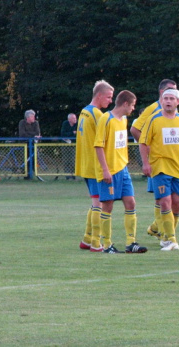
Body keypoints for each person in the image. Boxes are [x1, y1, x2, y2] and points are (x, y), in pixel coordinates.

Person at [138, 88, 179, 251]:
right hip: (160, 167)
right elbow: (143, 142)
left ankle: (158, 229)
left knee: (177, 204)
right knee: (165, 201)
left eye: (171, 98)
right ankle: (170, 239)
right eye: (165, 98)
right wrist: (145, 163)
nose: (168, 101)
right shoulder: (153, 120)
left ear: (177, 102)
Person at [94, 90, 147, 254]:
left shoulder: (123, 120)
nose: (133, 109)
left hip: (123, 170)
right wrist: (105, 170)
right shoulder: (106, 119)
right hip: (109, 171)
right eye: (132, 105)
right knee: (107, 206)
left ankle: (131, 243)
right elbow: (98, 145)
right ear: (125, 104)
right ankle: (107, 245)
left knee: (131, 202)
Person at [130, 79, 177, 242]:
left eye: (175, 90)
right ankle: (161, 231)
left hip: (170, 162)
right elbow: (135, 129)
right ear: (161, 92)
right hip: (157, 161)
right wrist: (149, 149)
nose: (172, 93)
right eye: (170, 90)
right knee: (161, 196)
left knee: (164, 197)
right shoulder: (153, 108)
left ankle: (158, 229)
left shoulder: (170, 109)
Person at [75, 80, 114, 252]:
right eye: (108, 97)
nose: (110, 101)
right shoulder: (97, 115)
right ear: (99, 95)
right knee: (99, 203)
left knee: (94, 202)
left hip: (85, 164)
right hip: (95, 166)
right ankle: (96, 243)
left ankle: (87, 238)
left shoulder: (84, 111)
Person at [60, 113, 77, 180]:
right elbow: (63, 134)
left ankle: (73, 175)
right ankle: (67, 175)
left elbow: (78, 134)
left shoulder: (77, 124)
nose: (75, 120)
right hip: (65, 144)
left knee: (73, 160)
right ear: (69, 119)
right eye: (73, 118)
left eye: (75, 118)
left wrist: (72, 134)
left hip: (73, 144)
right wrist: (72, 133)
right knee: (66, 160)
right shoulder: (65, 124)